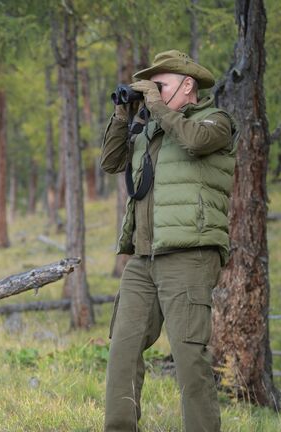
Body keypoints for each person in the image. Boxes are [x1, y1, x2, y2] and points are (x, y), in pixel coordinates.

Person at [100, 50, 238, 432]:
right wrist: (122, 114)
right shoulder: (150, 131)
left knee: (189, 358)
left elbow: (194, 141)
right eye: (150, 87)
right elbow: (111, 162)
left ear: (187, 84)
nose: (152, 92)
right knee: (122, 350)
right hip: (143, 258)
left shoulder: (216, 121)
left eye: (159, 85)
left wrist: (158, 107)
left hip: (189, 256)